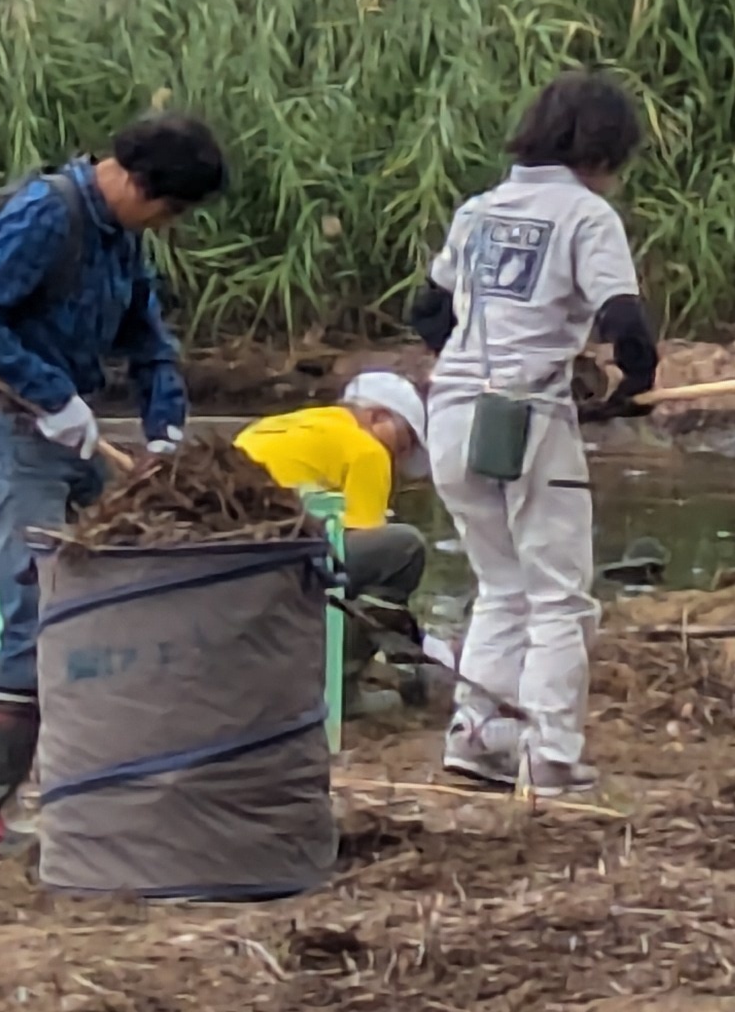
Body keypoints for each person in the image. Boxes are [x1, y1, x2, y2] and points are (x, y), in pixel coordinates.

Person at [0, 112, 230, 853]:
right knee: (35, 606)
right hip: (11, 433)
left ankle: (83, 784)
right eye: (169, 210)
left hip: (73, 437)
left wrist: (165, 429)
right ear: (135, 182)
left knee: (107, 599)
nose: (169, 224)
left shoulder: (122, 237)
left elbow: (150, 343)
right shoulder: (46, 214)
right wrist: (48, 394)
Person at [413, 74, 662, 797]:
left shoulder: (480, 210)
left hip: (454, 409)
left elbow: (428, 313)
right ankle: (550, 753)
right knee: (560, 595)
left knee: (499, 584)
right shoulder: (585, 216)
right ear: (606, 150)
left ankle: (478, 736)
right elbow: (627, 326)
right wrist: (627, 389)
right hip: (529, 416)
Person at [235, 370, 437, 687]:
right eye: (405, 442)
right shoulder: (368, 450)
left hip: (229, 554)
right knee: (403, 549)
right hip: (282, 564)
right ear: (378, 416)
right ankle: (340, 682)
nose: (400, 458)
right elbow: (361, 540)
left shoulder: (277, 425)